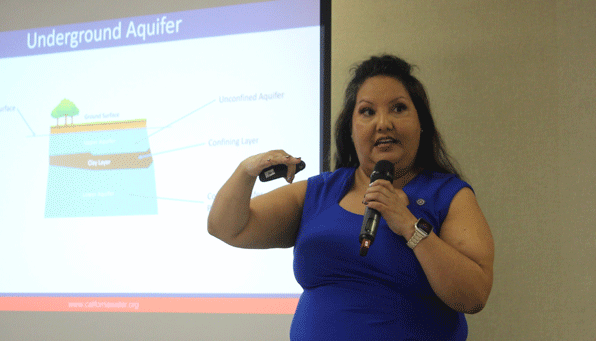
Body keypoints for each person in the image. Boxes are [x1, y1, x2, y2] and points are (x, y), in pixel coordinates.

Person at [207, 54, 494, 340]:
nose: (383, 123)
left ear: (421, 123)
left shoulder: (448, 195)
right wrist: (246, 171)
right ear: (351, 129)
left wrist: (410, 226)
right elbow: (227, 227)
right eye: (367, 112)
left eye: (398, 108)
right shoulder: (320, 192)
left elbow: (473, 296)